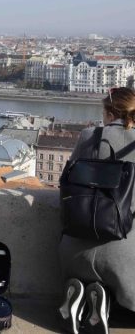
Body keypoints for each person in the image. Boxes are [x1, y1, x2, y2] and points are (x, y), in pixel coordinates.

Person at [58, 87, 135, 334]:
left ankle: (82, 298)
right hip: (123, 253)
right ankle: (103, 303)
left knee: (89, 266)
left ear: (110, 113)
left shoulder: (88, 135)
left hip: (73, 251)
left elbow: (65, 182)